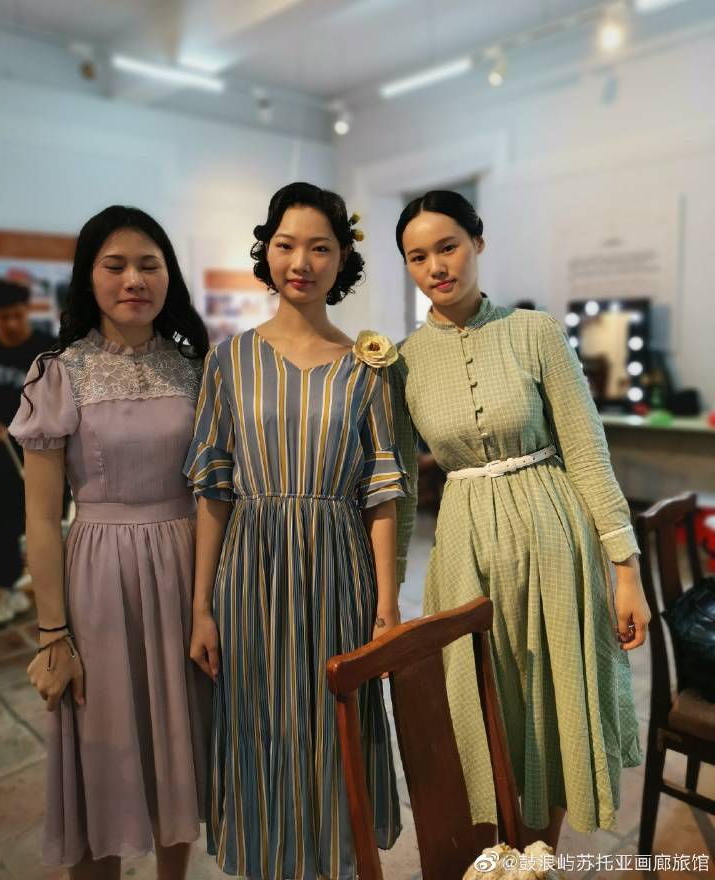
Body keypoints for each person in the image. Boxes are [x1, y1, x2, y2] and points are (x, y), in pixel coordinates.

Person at [392, 190, 651, 848]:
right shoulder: (402, 361)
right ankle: (501, 849)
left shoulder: (536, 333)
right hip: (464, 550)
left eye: (448, 247)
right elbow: (398, 487)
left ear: (477, 242)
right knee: (480, 706)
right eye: (417, 257)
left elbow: (587, 451)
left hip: (555, 537)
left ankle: (543, 853)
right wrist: (388, 591)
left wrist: (625, 570)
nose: (435, 267)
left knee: (557, 703)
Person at [185, 182, 404, 880]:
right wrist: (200, 607)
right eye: (286, 245)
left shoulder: (368, 366)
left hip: (340, 569)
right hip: (250, 573)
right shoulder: (228, 361)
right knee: (259, 724)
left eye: (319, 248)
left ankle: (334, 860)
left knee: (334, 725)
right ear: (267, 252)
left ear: (343, 260)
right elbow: (214, 491)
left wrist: (387, 607)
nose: (301, 262)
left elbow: (382, 493)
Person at [9, 206, 211, 879]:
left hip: (184, 571)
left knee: (179, 744)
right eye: (116, 265)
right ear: (87, 277)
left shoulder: (195, 367)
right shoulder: (59, 372)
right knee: (105, 749)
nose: (134, 280)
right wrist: (52, 632)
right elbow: (43, 518)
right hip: (98, 578)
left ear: (168, 275)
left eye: (149, 265)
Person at [0, 280, 55, 625]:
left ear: (28, 311)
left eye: (17, 315)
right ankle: (8, 587)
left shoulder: (47, 351)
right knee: (2, 524)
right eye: (3, 317)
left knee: (36, 524)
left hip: (38, 455)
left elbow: (59, 406)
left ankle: (46, 593)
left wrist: (20, 427)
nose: (12, 324)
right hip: (0, 459)